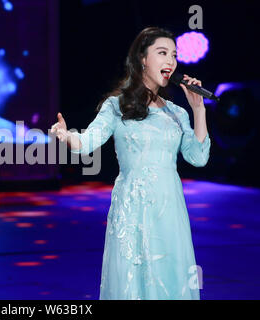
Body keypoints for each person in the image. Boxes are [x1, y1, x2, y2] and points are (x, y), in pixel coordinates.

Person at [51, 27, 210, 299]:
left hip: (170, 209)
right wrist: (66, 135)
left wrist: (198, 110)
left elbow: (198, 157)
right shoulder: (117, 105)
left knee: (169, 279)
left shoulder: (177, 113)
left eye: (174, 55)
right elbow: (87, 143)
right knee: (132, 282)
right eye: (162, 53)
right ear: (142, 59)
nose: (170, 61)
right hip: (133, 208)